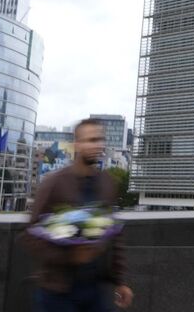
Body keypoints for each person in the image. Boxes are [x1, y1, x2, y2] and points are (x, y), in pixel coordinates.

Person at [22, 118, 133, 310]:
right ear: (77, 144)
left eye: (100, 139)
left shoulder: (108, 183)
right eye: (91, 140)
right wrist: (69, 257)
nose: (97, 145)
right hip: (57, 293)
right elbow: (30, 234)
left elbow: (115, 235)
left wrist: (120, 281)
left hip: (95, 291)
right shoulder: (54, 182)